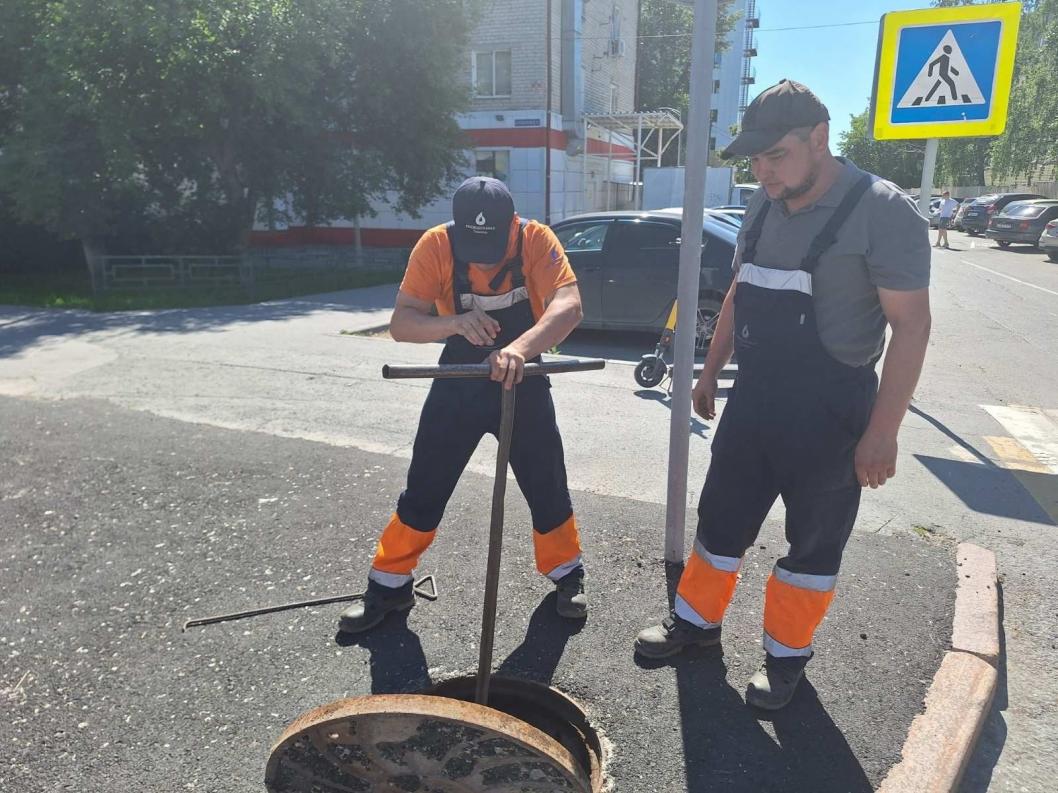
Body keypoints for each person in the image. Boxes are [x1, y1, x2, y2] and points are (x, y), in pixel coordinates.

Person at [635, 80, 932, 710]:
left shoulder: (882, 210)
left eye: (777, 157)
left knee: (813, 544)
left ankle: (786, 657)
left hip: (833, 413)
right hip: (756, 401)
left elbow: (912, 326)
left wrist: (883, 433)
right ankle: (694, 622)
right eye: (755, 161)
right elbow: (742, 289)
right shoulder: (762, 206)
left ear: (819, 141)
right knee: (721, 519)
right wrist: (710, 370)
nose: (763, 172)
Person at [338, 177, 588, 634]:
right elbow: (402, 323)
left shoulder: (536, 239)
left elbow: (569, 305)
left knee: (546, 478)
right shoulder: (435, 245)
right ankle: (389, 585)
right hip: (457, 379)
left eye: (492, 243)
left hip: (522, 379)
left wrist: (521, 349)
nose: (483, 256)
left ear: (512, 224)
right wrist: (454, 323)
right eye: (474, 245)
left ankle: (568, 575)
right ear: (456, 228)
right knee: (425, 483)